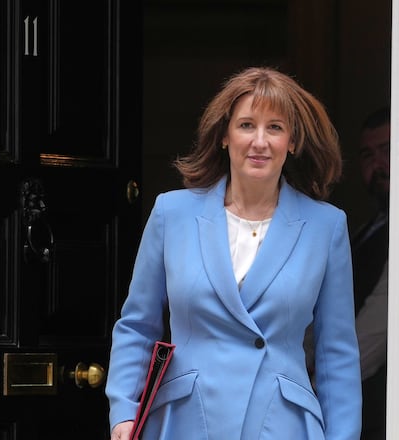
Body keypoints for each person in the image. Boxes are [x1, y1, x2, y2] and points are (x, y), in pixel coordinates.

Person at [105, 66, 361, 440]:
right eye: (246, 125)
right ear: (224, 135)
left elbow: (336, 353)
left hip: (280, 424)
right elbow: (138, 325)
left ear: (292, 141)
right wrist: (124, 411)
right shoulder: (172, 214)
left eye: (275, 127)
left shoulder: (326, 226)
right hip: (186, 421)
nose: (260, 141)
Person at [351, 106, 390, 440]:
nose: (378, 165)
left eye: (387, 151)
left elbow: (378, 326)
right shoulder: (365, 231)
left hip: (378, 407)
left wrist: (318, 385)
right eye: (368, 155)